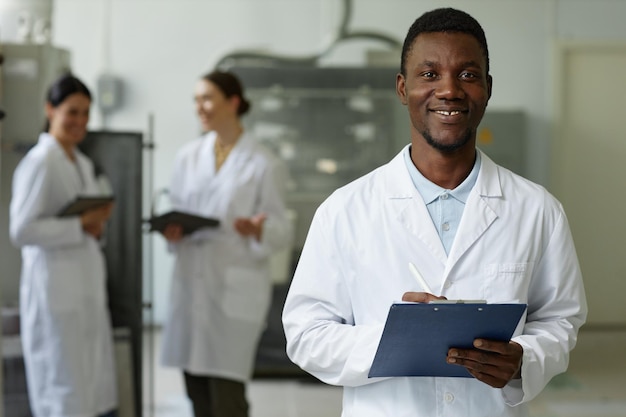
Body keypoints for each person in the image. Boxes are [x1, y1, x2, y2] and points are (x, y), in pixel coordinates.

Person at [282, 7, 587, 417]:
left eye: (467, 74)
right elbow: (306, 334)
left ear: (488, 87)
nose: (449, 90)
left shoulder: (537, 210)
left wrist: (522, 360)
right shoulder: (345, 210)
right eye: (429, 75)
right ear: (403, 88)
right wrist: (397, 340)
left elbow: (560, 322)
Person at [160, 70, 293, 417]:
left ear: (233, 102)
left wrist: (256, 230)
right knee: (196, 390)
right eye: (195, 100)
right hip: (191, 283)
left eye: (207, 99)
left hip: (232, 289)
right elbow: (175, 208)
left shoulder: (264, 162)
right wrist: (172, 231)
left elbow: (280, 228)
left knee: (227, 397)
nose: (199, 107)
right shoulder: (187, 157)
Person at [9, 73, 118, 417]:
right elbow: (22, 230)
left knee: (86, 389)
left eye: (86, 113)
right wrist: (80, 224)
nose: (80, 121)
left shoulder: (81, 163)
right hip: (54, 293)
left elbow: (83, 226)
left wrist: (95, 226)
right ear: (50, 109)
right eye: (72, 112)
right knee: (62, 390)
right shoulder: (40, 162)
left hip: (82, 291)